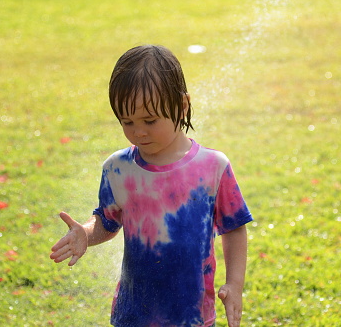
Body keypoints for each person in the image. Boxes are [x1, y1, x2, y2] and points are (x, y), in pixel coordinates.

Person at [49, 45, 253, 327]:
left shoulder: (213, 167)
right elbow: (107, 223)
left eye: (150, 120)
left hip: (192, 315)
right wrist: (85, 233)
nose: (138, 131)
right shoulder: (118, 168)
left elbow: (234, 227)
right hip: (134, 313)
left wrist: (234, 283)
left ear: (182, 106)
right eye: (127, 121)